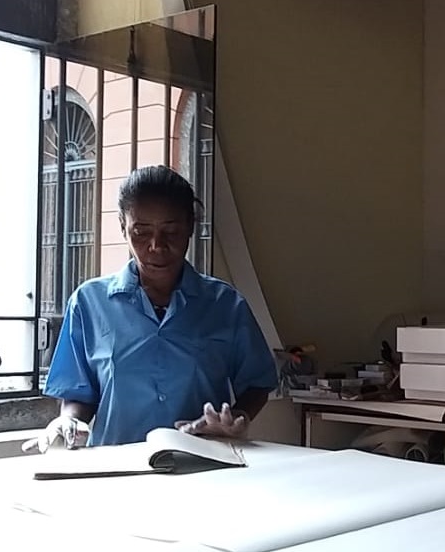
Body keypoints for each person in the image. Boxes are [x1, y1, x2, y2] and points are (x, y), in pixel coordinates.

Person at [23, 165, 278, 452]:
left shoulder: (226, 305)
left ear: (191, 226)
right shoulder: (89, 303)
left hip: (204, 459)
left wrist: (236, 418)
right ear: (123, 227)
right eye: (141, 232)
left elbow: (257, 383)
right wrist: (68, 422)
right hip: (116, 462)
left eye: (171, 231)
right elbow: (79, 393)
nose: (157, 245)